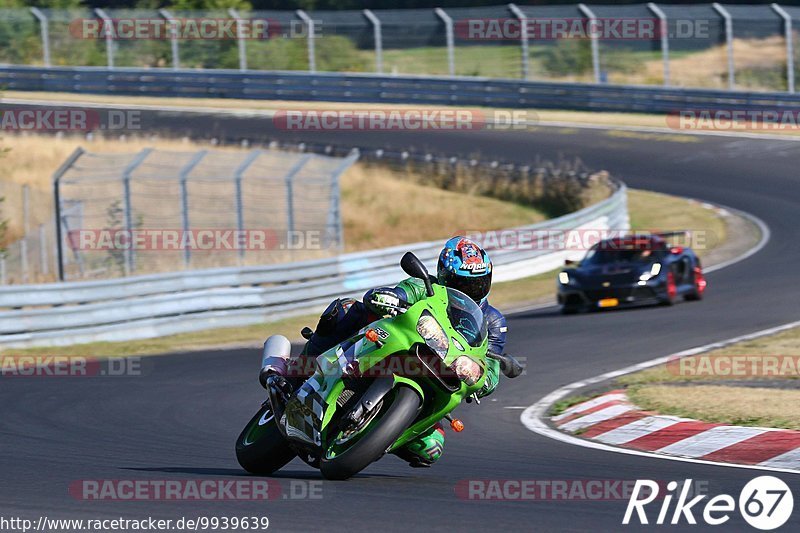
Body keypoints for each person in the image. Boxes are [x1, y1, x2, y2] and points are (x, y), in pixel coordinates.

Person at [263, 236, 508, 467]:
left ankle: (374, 435)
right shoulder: (425, 286)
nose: (470, 290)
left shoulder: (493, 320)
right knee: (345, 310)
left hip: (443, 375)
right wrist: (389, 297)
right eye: (461, 283)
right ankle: (299, 371)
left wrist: (484, 378)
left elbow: (492, 365)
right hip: (402, 346)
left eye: (477, 283)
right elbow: (400, 293)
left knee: (431, 449)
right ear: (443, 275)